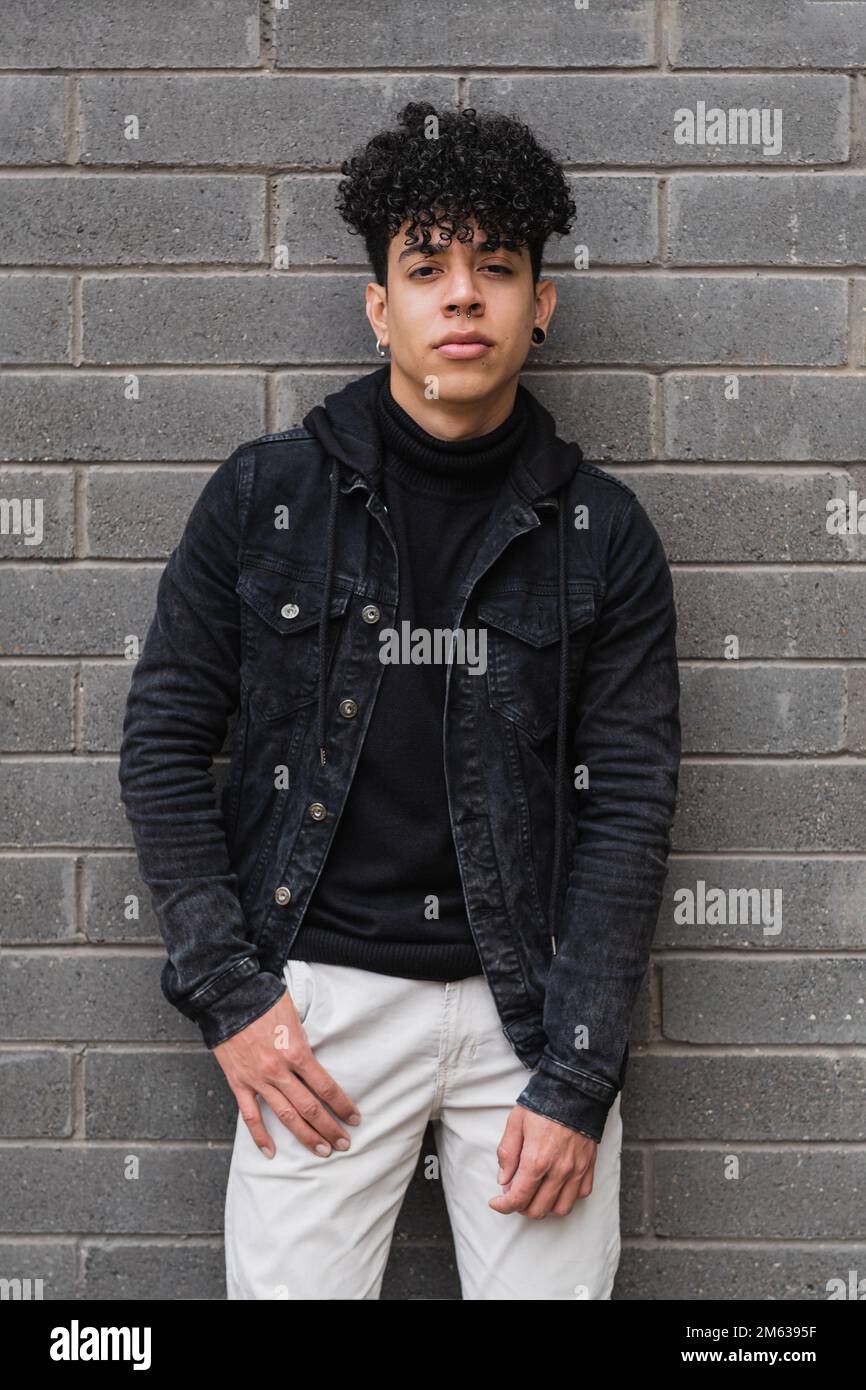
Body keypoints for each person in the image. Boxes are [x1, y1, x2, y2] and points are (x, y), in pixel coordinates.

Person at [118, 101, 681, 1300]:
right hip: (315, 1011)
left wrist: (577, 1073)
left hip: (524, 1016)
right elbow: (164, 748)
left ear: (542, 304)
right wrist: (233, 999)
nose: (463, 295)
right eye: (428, 267)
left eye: (497, 267)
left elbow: (626, 811)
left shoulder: (604, 538)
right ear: (381, 305)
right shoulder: (262, 499)